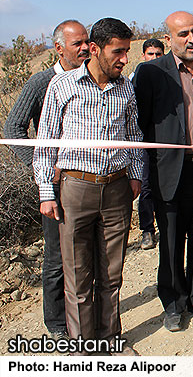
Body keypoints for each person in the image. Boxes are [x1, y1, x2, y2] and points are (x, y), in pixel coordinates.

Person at [33, 17, 141, 354]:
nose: (125, 59)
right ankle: (83, 348)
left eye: (127, 51)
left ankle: (110, 339)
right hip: (75, 190)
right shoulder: (62, 86)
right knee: (77, 275)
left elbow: (134, 135)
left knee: (111, 273)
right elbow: (45, 144)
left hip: (117, 190)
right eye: (118, 52)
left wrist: (136, 176)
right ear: (94, 49)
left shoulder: (125, 87)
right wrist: (46, 193)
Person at [134, 11, 193, 332]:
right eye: (183, 34)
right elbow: (140, 125)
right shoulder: (151, 72)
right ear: (168, 39)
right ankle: (173, 303)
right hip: (168, 170)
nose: (192, 39)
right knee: (171, 240)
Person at [4, 19, 89, 340]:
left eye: (86, 42)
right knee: (57, 256)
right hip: (55, 185)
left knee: (85, 253)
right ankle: (56, 325)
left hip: (88, 182)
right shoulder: (42, 83)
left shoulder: (90, 80)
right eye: (76, 44)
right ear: (59, 48)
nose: (84, 48)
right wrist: (43, 168)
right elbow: (13, 129)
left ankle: (83, 315)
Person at [131, 38, 165, 250]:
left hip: (165, 141)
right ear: (143, 55)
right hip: (144, 140)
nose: (154, 58)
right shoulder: (134, 78)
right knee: (146, 186)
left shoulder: (169, 76)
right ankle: (147, 230)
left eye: (158, 54)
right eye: (150, 54)